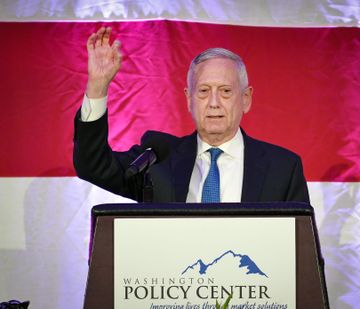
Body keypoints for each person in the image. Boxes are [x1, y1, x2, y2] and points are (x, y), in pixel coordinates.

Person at [73, 27, 310, 203]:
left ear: (246, 99)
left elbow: (300, 248)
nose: (214, 103)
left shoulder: (283, 168)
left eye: (226, 91)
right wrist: (97, 86)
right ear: (189, 99)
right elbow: (92, 166)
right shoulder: (158, 162)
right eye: (204, 91)